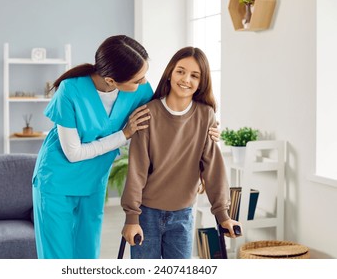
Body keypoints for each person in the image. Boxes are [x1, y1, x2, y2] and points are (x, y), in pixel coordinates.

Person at [32, 35, 221, 259]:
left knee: (87, 256)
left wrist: (208, 131)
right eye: (138, 79)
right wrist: (124, 134)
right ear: (112, 81)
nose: (144, 82)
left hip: (93, 182)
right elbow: (73, 153)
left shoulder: (139, 90)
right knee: (58, 257)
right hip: (57, 181)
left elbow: (169, 117)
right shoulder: (70, 90)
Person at [121, 46, 241, 259]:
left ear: (201, 83)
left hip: (183, 215)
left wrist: (223, 215)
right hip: (146, 214)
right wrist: (132, 218)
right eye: (181, 71)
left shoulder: (206, 116)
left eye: (195, 75)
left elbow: (213, 168)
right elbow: (137, 170)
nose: (186, 79)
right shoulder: (147, 114)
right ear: (170, 73)